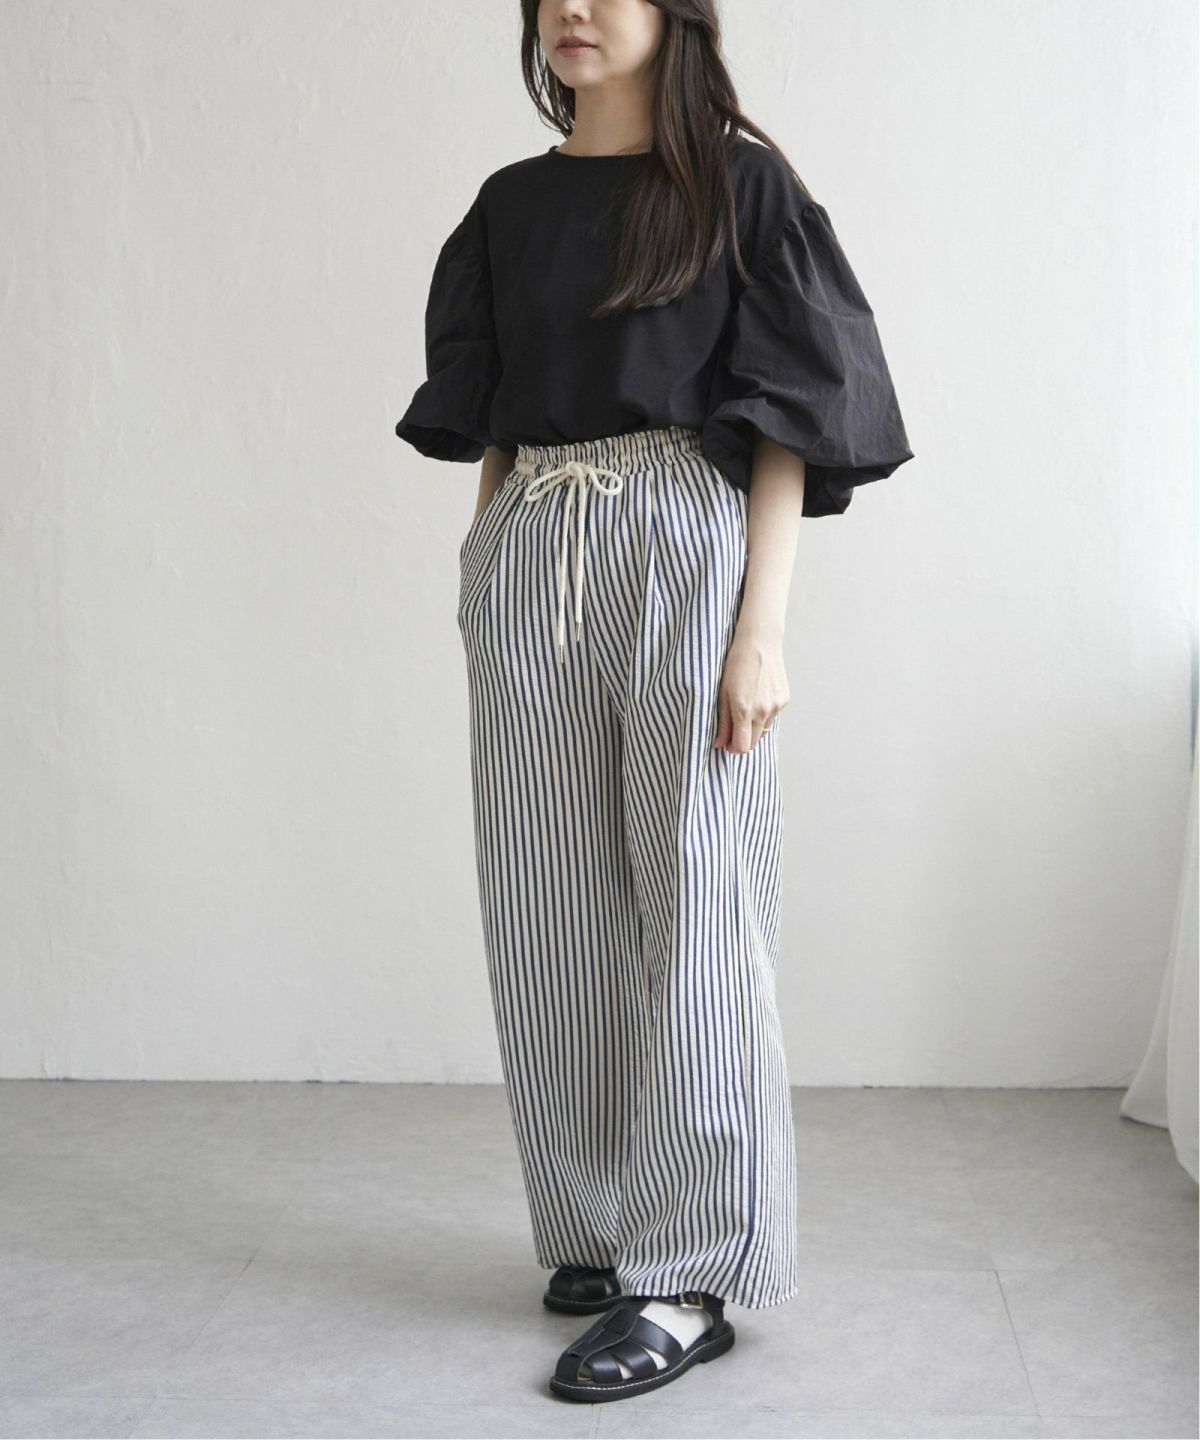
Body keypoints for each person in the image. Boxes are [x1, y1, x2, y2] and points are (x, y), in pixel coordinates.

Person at [394, 0, 913, 1405]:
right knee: (545, 903)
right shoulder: (509, 205)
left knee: (698, 901)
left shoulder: (739, 187)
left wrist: (762, 630)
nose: (573, 7)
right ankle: (597, 1223)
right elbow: (496, 412)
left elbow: (790, 420)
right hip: (533, 548)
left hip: (684, 537)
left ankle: (688, 1272)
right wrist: (483, 566)